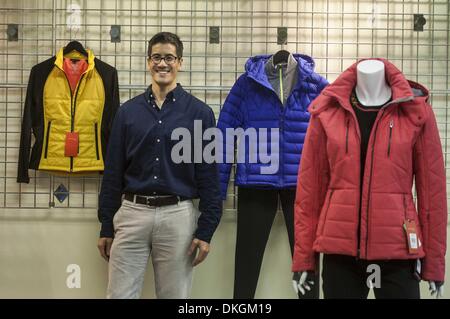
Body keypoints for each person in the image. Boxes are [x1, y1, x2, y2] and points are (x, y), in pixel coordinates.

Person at [292, 59, 447, 299]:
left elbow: (432, 194)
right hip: (340, 255)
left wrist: (434, 263)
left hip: (398, 254)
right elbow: (309, 193)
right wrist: (304, 259)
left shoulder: (415, 112)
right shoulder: (327, 110)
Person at [97, 32, 222, 299]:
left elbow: (210, 176)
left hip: (177, 216)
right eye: (156, 57)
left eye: (169, 58)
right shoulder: (127, 113)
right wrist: (107, 224)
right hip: (131, 214)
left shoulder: (200, 114)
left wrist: (206, 230)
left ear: (180, 62)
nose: (162, 64)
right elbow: (112, 174)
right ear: (148, 61)